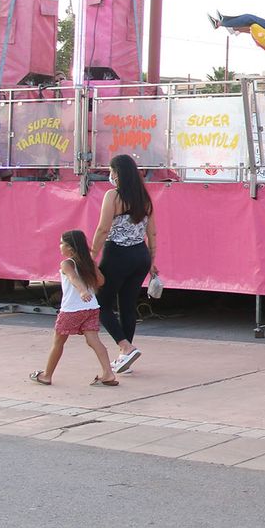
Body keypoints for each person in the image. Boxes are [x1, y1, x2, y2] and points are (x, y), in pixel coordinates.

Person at [90, 154, 157, 374]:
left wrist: (92, 254)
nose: (110, 176)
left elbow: (103, 229)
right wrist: (152, 260)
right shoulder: (144, 199)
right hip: (141, 255)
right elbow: (152, 233)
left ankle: (125, 347)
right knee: (127, 305)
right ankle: (125, 357)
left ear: (117, 174)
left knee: (101, 303)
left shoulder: (113, 196)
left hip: (117, 254)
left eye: (111, 171)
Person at [29, 230, 119, 387]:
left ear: (70, 248)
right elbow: (101, 281)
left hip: (72, 310)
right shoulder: (89, 263)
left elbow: (73, 277)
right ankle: (108, 373)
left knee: (58, 342)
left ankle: (46, 375)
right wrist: (93, 270)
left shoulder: (67, 264)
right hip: (91, 308)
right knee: (94, 341)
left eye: (62, 243)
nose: (60, 246)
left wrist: (82, 290)